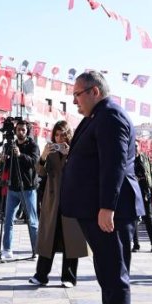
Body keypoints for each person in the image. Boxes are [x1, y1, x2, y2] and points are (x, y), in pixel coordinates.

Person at [62, 72, 143, 304]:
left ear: (94, 91)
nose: (74, 101)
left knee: (114, 273)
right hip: (97, 209)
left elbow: (114, 164)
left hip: (112, 211)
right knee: (107, 273)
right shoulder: (97, 116)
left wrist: (107, 207)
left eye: (77, 94)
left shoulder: (110, 116)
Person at [29, 120, 89, 287]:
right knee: (48, 238)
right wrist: (43, 156)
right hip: (52, 200)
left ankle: (69, 278)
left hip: (72, 200)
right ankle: (41, 275)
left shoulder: (76, 151)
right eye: (57, 134)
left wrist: (71, 156)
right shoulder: (51, 152)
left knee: (71, 239)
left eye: (63, 134)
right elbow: (39, 172)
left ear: (68, 135)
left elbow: (84, 172)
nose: (59, 138)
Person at [1, 120, 40, 260]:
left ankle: (36, 250)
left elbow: (34, 162)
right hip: (13, 187)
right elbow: (5, 166)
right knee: (8, 220)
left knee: (32, 221)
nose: (20, 132)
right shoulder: (11, 145)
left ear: (27, 131)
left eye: (23, 130)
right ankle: (7, 249)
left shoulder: (33, 145)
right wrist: (4, 159)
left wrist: (20, 155)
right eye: (18, 129)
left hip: (28, 188)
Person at [132, 144, 152, 252]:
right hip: (133, 191)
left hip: (146, 191)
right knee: (134, 218)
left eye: (136, 146)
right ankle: (136, 244)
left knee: (149, 218)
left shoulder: (145, 158)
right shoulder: (128, 158)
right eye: (133, 146)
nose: (135, 148)